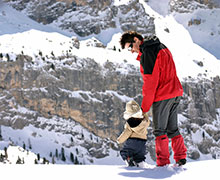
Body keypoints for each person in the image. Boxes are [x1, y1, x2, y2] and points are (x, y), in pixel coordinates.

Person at [119, 31, 187, 166]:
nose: (131, 51)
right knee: (173, 129)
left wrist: (143, 109)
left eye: (130, 47)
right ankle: (180, 158)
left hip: (163, 94)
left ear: (136, 40)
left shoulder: (148, 54)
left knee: (159, 130)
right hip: (175, 92)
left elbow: (150, 84)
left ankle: (163, 163)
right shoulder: (160, 46)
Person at [117, 100, 150, 168]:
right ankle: (140, 163)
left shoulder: (130, 122)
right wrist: (144, 114)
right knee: (139, 155)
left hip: (132, 141)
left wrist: (120, 140)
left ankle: (129, 159)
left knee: (126, 151)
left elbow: (127, 132)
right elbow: (147, 120)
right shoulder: (145, 121)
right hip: (142, 142)